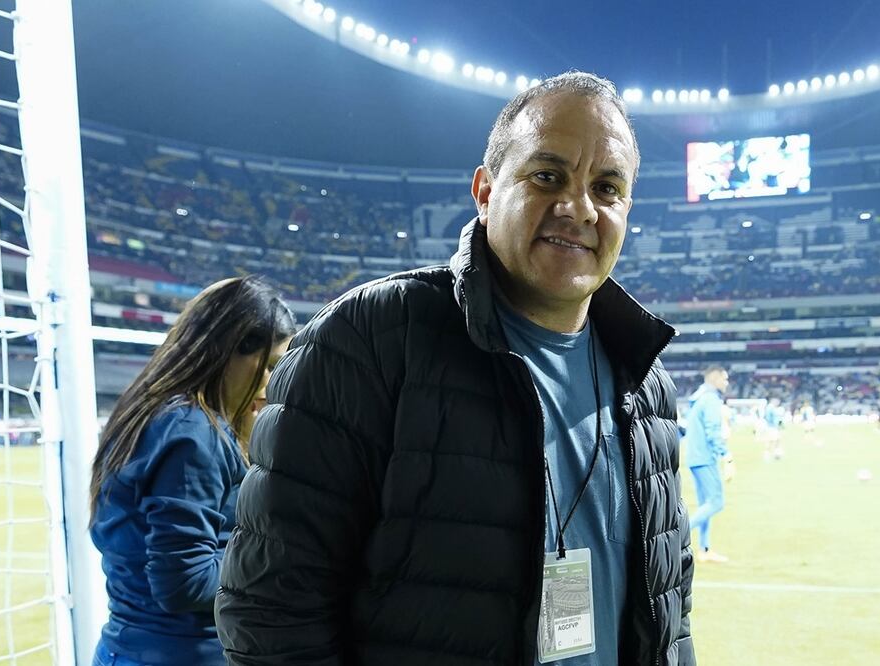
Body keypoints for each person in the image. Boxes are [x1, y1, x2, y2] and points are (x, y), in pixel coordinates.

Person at [216, 71, 694, 665]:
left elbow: (668, 617)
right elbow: (271, 613)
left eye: (607, 187)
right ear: (486, 191)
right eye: (547, 176)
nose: (578, 208)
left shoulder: (646, 386)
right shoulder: (369, 341)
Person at [88, 276, 295, 666]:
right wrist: (281, 564)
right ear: (225, 352)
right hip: (176, 654)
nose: (269, 384)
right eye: (266, 366)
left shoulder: (157, 413)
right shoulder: (192, 432)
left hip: (138, 648)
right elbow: (184, 583)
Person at [684, 366, 734, 563]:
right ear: (716, 379)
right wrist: (727, 456)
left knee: (706, 505)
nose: (727, 383)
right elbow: (713, 431)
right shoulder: (711, 400)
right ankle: (677, 535)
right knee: (716, 502)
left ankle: (704, 549)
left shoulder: (698, 398)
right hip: (705, 458)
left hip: (695, 458)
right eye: (725, 379)